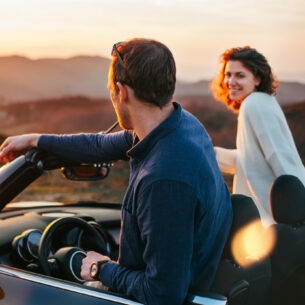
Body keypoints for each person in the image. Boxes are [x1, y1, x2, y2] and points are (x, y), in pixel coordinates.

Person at [0, 38, 232, 305]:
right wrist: (38, 140)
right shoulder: (181, 124)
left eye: (111, 91)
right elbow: (99, 145)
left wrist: (102, 269)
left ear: (122, 92)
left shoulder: (163, 180)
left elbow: (164, 294)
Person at [210, 46, 305, 227]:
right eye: (228, 74)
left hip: (274, 223)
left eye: (240, 75)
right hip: (271, 223)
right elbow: (254, 158)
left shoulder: (254, 104)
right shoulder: (262, 102)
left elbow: (279, 156)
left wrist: (300, 210)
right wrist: (209, 153)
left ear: (257, 79)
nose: (231, 81)